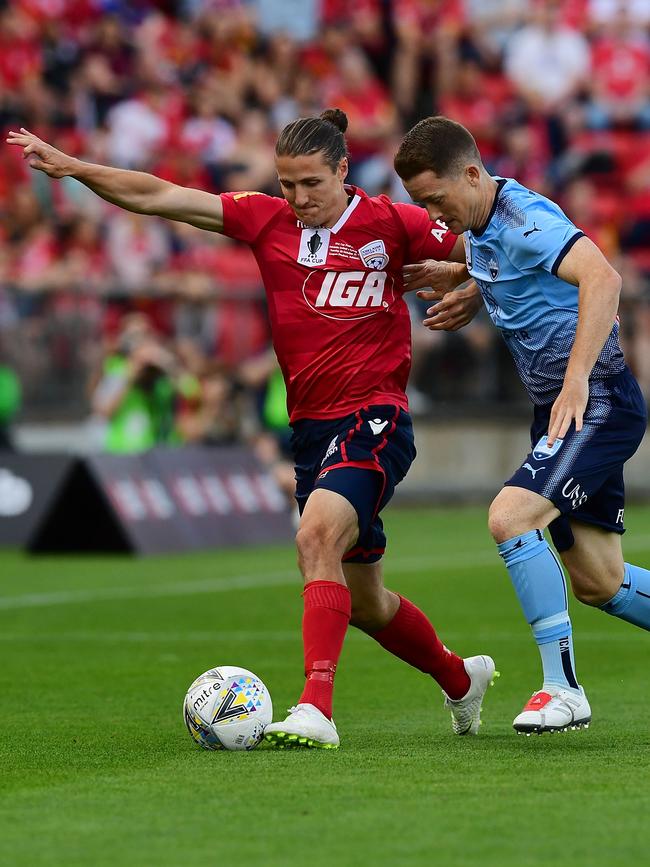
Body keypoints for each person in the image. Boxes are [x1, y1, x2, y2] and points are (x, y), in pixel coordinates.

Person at [8, 110, 496, 749]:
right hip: (310, 432)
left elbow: (495, 246)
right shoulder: (266, 220)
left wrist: (473, 286)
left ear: (343, 171)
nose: (297, 198)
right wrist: (75, 169)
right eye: (287, 184)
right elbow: (160, 196)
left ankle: (315, 708)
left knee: (313, 536)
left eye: (311, 184)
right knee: (367, 601)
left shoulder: (392, 223)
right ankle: (461, 678)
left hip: (375, 415)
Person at [394, 116, 649, 735]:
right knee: (599, 581)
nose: (434, 214)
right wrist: (468, 281)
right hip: (563, 407)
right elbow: (512, 264)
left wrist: (577, 377)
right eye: (421, 204)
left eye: (435, 198)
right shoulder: (483, 222)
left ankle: (562, 688)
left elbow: (603, 278)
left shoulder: (523, 219)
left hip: (593, 402)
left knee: (509, 518)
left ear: (473, 175)